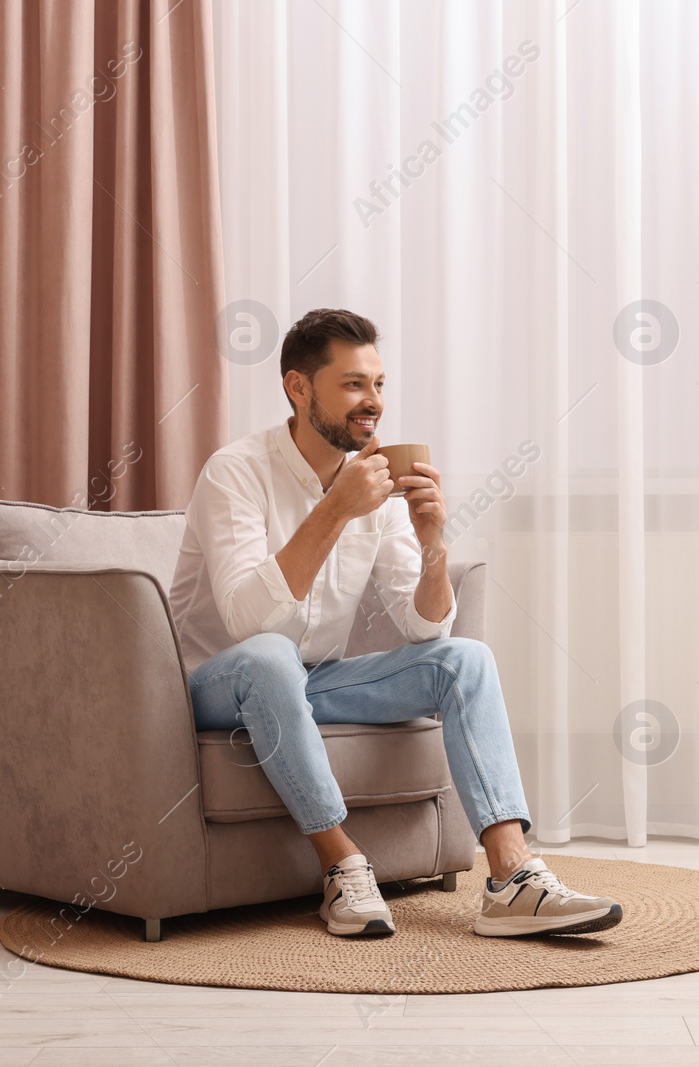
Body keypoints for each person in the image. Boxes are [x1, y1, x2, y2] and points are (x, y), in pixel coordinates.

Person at [168, 307, 622, 938]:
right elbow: (250, 621)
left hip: (308, 682)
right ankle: (342, 864)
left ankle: (512, 876)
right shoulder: (236, 472)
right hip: (214, 686)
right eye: (354, 384)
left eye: (378, 385)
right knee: (270, 655)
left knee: (464, 659)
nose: (372, 402)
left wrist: (432, 539)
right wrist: (334, 510)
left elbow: (423, 627)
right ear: (299, 388)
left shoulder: (375, 481)